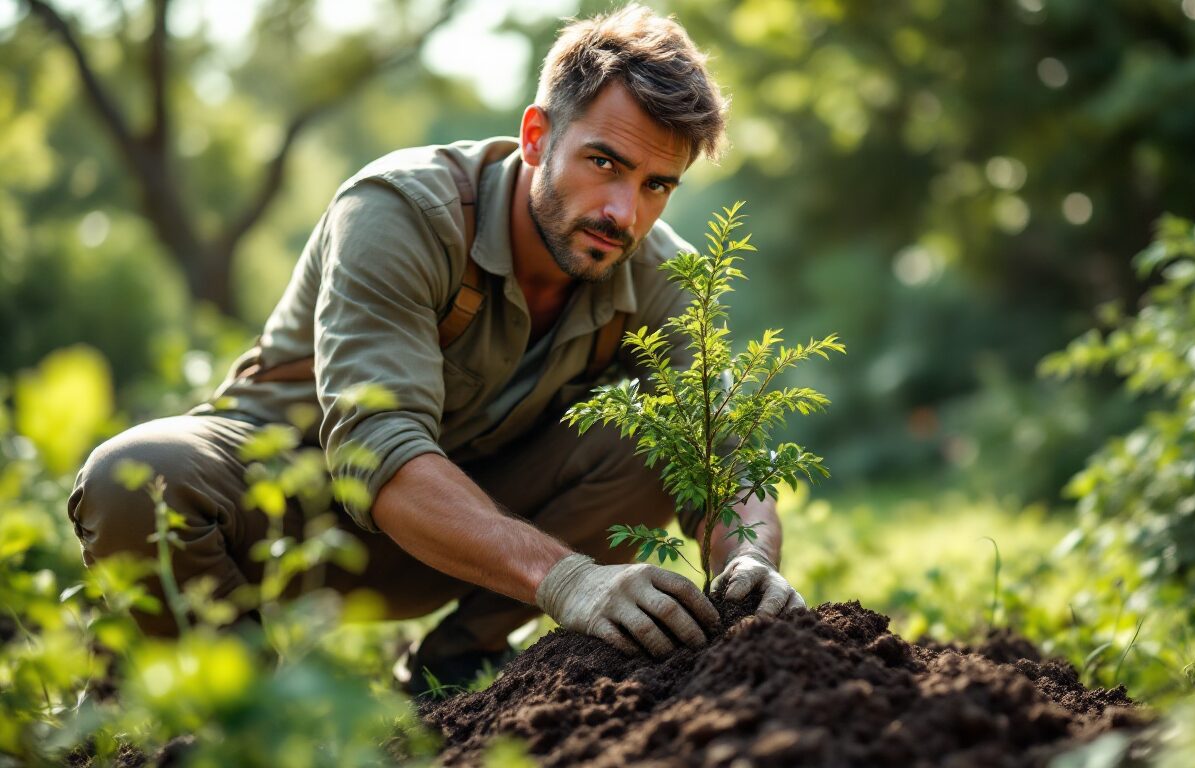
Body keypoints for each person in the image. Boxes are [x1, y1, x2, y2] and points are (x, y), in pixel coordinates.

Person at [66, 4, 804, 695]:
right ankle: (257, 706)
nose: (624, 212)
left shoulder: (653, 272)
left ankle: (455, 671)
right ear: (538, 137)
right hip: (287, 513)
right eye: (604, 164)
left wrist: (750, 559)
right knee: (134, 477)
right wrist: (572, 581)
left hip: (473, 536)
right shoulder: (399, 211)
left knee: (661, 428)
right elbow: (375, 451)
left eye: (657, 186)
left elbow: (725, 451)